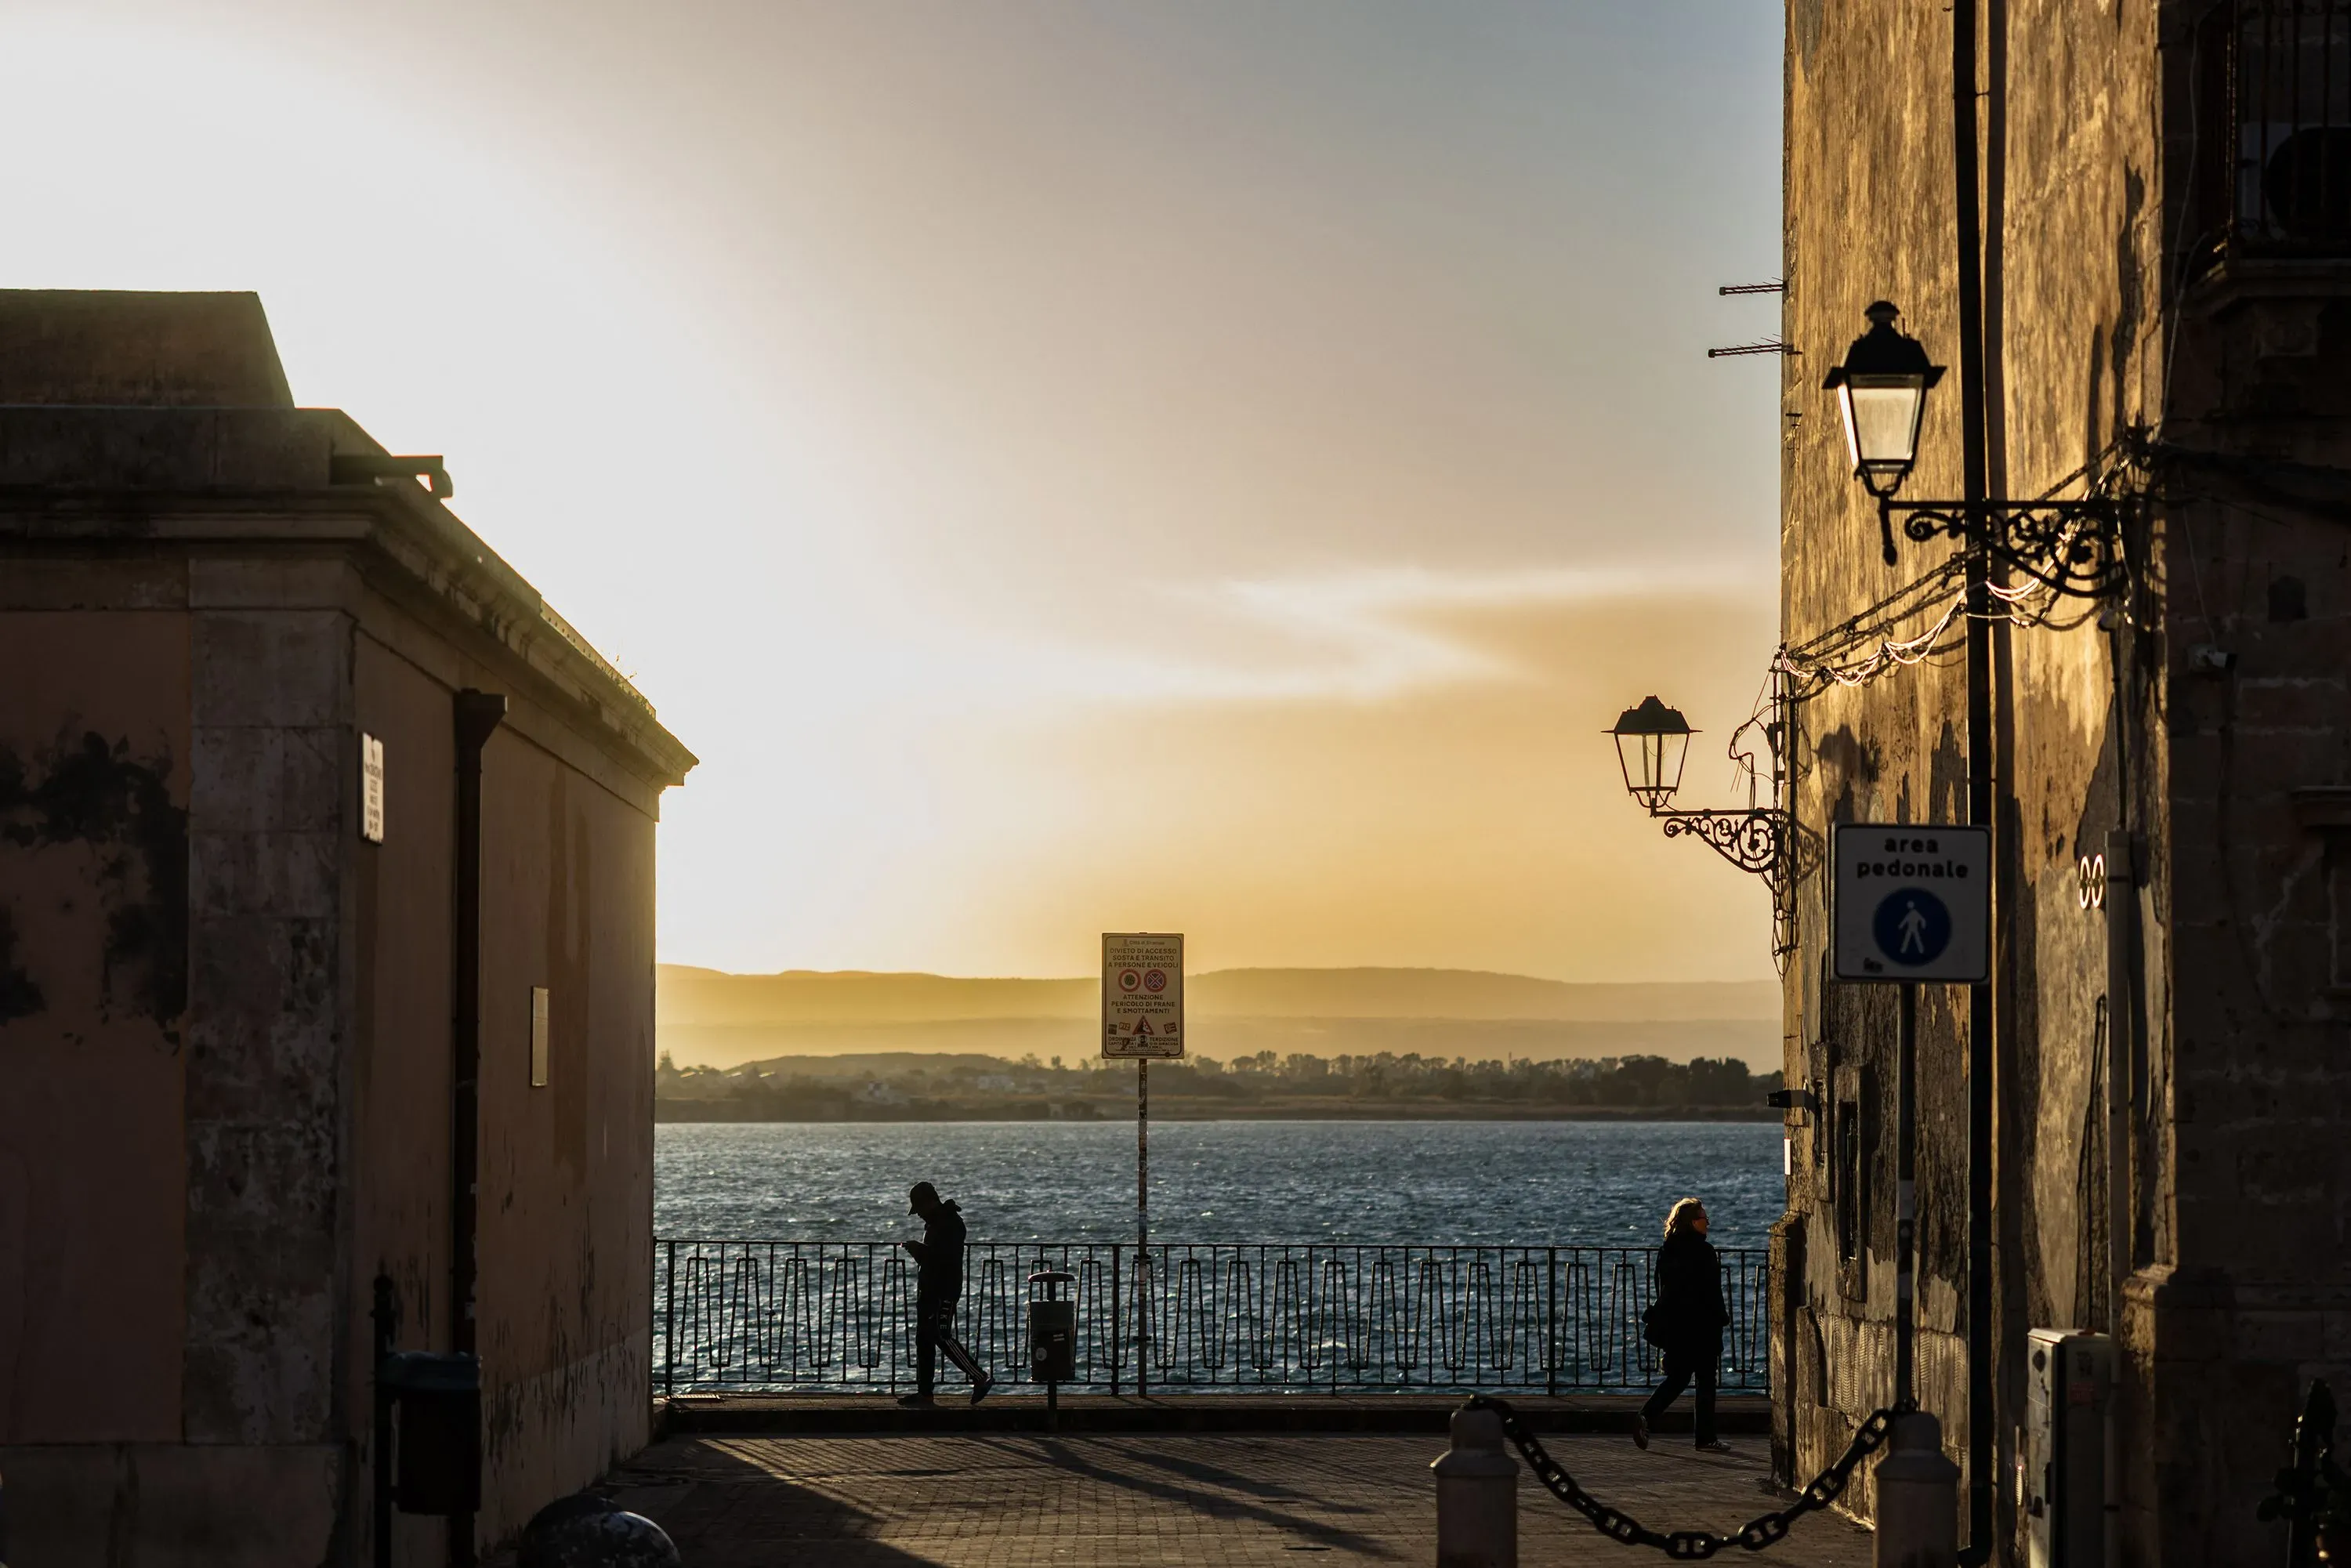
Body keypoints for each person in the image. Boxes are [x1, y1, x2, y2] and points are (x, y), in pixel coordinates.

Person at [1633, 1196, 1732, 1453]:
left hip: (1676, 1325)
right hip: (1702, 1326)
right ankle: (1705, 1439)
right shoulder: (1703, 1251)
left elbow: (1665, 1288)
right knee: (1706, 1381)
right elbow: (1711, 1291)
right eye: (1704, 1218)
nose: (1707, 1223)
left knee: (1678, 1377)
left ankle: (1646, 1416)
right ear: (1693, 1222)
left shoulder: (1668, 1249)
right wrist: (1721, 1317)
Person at [900, 1181, 993, 1407]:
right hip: (930, 1289)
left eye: (919, 1209)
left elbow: (943, 1259)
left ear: (930, 1203)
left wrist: (920, 1251)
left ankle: (979, 1376)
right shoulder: (936, 1223)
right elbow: (934, 1258)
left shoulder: (951, 1224)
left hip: (944, 1289)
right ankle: (925, 1393)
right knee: (924, 1338)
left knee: (940, 1335)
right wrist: (920, 1252)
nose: (919, 1215)